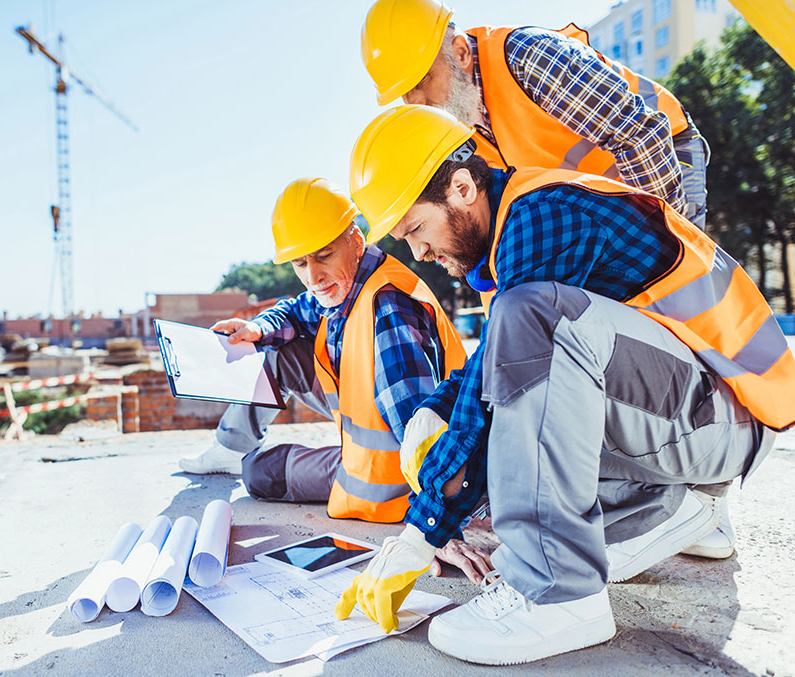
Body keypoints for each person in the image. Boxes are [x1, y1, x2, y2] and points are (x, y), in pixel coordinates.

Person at [334, 105, 792, 665]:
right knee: (506, 416)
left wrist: (422, 530)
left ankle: (560, 595)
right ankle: (665, 509)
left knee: (530, 328)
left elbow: (505, 376)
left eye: (415, 230)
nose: (420, 254)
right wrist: (436, 410)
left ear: (460, 188)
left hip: (725, 422)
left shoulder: (542, 217)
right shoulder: (518, 223)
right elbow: (491, 375)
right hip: (692, 419)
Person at [178, 177, 468, 526]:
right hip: (368, 437)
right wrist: (257, 328)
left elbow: (417, 429)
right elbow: (297, 309)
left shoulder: (388, 308)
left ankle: (243, 457)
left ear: (356, 241)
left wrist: (438, 520)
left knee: (257, 472)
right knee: (279, 351)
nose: (314, 276)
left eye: (324, 256)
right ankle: (227, 449)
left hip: (389, 479)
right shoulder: (348, 284)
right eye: (300, 264)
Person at [361, 0, 710, 231]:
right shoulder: (461, 130)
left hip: (663, 152)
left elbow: (638, 134)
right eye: (405, 95)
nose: (419, 103)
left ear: (461, 52)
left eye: (423, 81)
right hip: (607, 195)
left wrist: (668, 240)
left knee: (682, 287)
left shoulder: (527, 57)